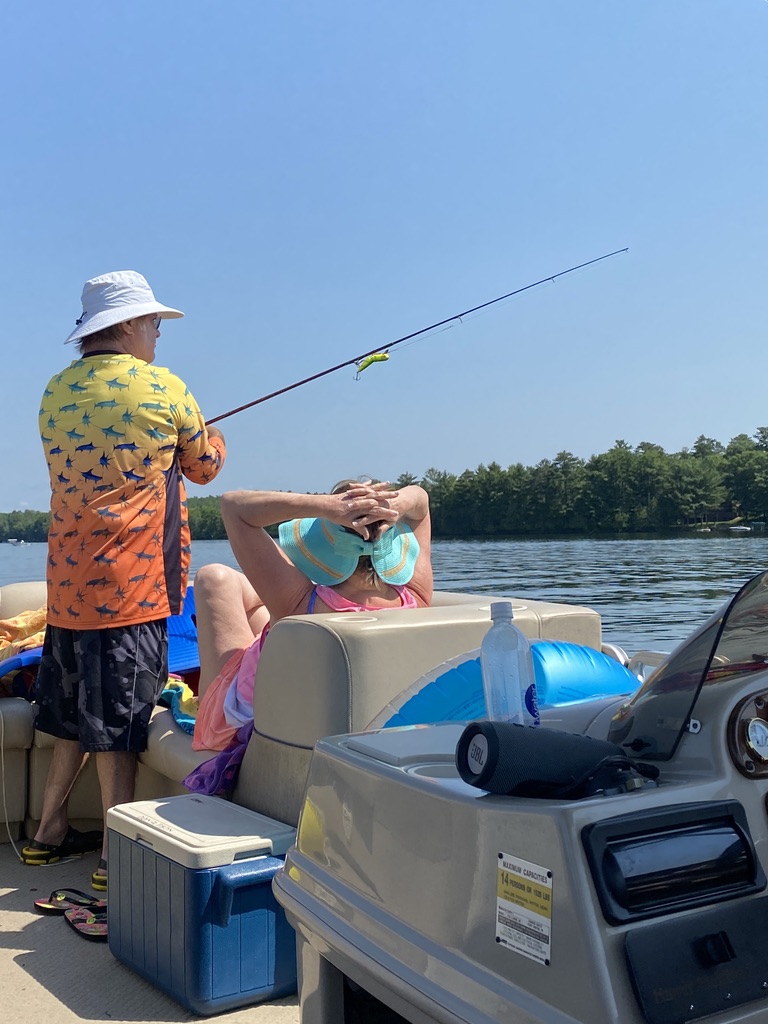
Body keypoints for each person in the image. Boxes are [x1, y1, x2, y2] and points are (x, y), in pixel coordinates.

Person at [23, 270, 226, 890]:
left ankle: (46, 833)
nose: (159, 335)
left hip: (66, 585)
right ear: (132, 324)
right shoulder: (164, 388)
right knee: (120, 720)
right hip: (131, 587)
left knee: (67, 714)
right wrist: (212, 434)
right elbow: (206, 466)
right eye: (155, 324)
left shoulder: (54, 392)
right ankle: (116, 859)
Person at [186, 479, 432, 788]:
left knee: (213, 578)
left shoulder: (299, 603)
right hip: (334, 717)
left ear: (325, 541)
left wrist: (329, 507)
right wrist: (391, 502)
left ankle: (207, 700)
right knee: (265, 615)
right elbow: (421, 502)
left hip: (246, 719)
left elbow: (233, 506)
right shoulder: (417, 597)